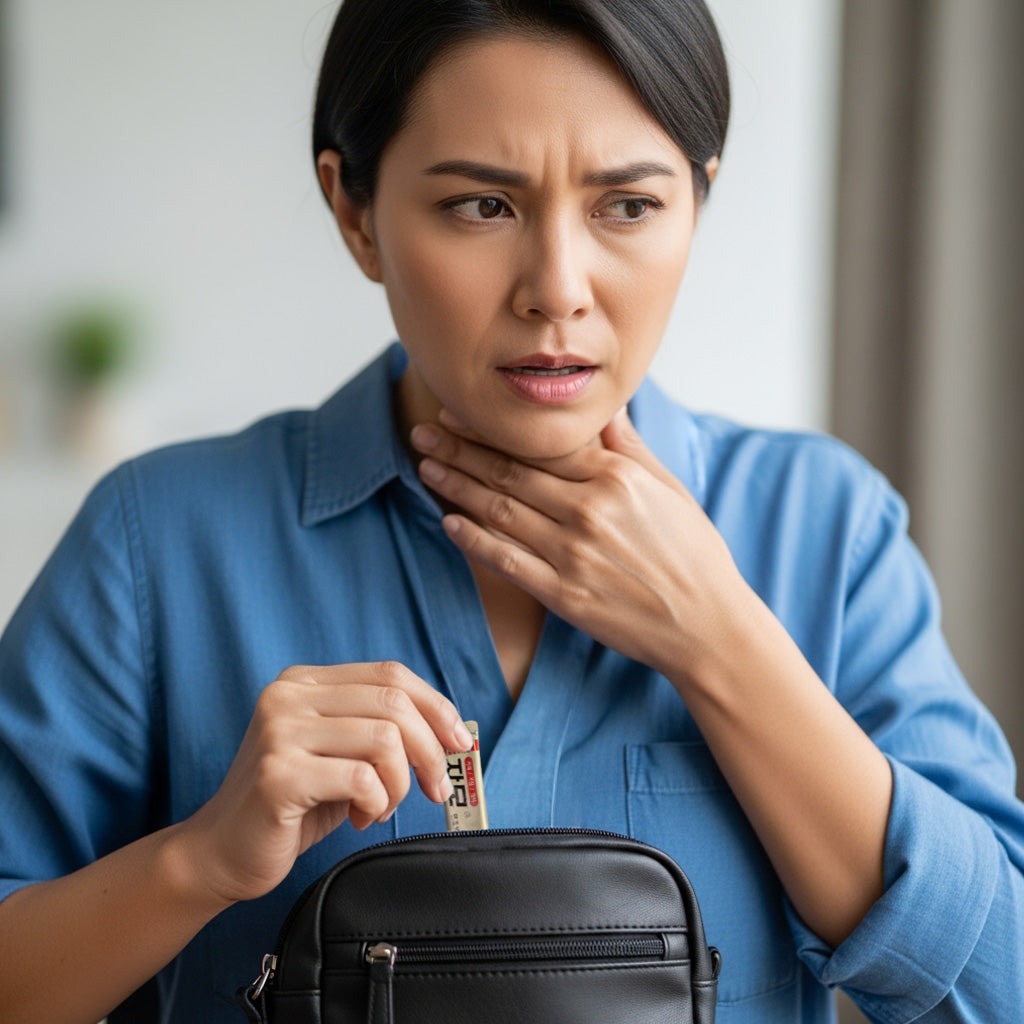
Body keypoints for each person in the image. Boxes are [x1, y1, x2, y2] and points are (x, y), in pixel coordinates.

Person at [0, 1, 1022, 1021]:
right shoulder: (158, 540)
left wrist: (721, 641)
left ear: (698, 205)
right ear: (354, 212)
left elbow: (1002, 985)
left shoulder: (825, 529)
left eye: (626, 205)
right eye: (482, 207)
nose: (557, 290)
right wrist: (199, 862)